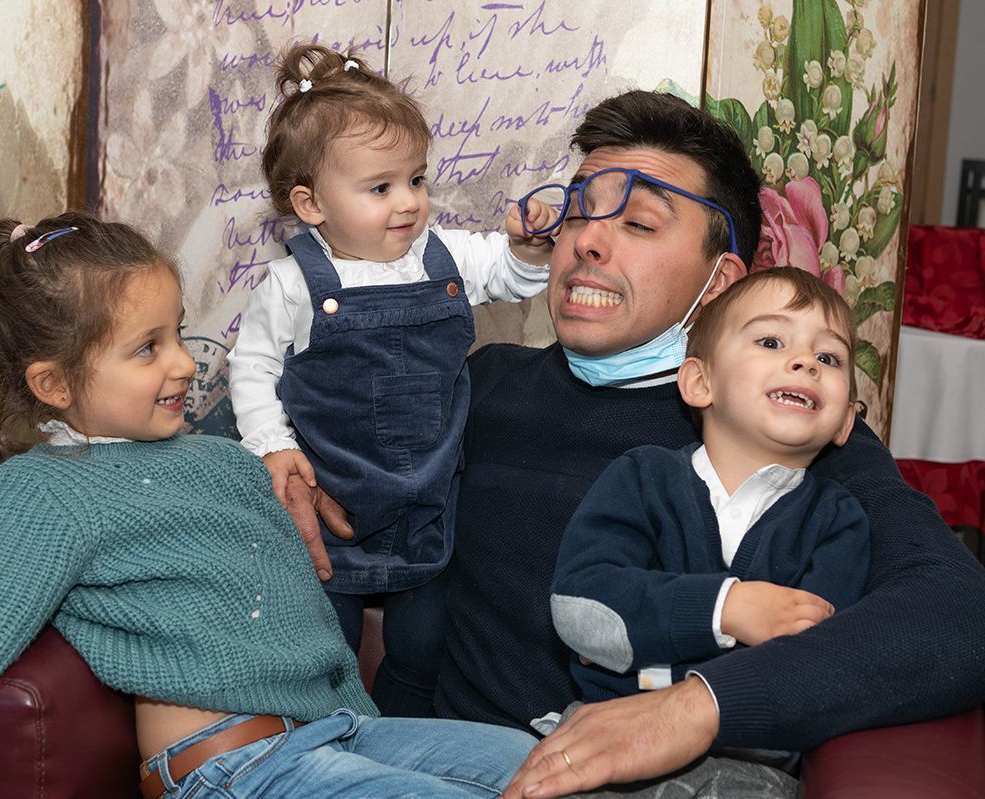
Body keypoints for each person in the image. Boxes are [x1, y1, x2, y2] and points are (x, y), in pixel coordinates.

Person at [282, 89, 985, 799]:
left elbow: (958, 615)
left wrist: (698, 707)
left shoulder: (781, 433)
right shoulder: (474, 388)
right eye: (578, 212)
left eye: (641, 223)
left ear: (720, 283)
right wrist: (281, 474)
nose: (587, 241)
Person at [0, 212, 537, 799]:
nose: (183, 361)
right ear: (54, 383)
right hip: (235, 767)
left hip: (337, 732)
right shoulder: (46, 488)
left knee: (543, 763)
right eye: (147, 348)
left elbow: (287, 613)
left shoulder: (219, 458)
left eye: (176, 333)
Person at [227, 43, 556, 717]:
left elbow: (513, 277)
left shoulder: (444, 254)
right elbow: (252, 367)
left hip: (430, 496)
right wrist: (272, 445)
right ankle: (332, 728)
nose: (409, 202)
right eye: (381, 188)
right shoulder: (293, 283)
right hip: (332, 495)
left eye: (416, 179)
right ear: (311, 204)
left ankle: (403, 727)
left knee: (424, 642)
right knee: (326, 641)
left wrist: (527, 247)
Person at [544, 267, 870, 793]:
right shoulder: (643, 478)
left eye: (829, 358)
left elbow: (816, 666)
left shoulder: (837, 523)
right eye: (771, 341)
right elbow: (583, 606)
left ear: (845, 421)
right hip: (604, 738)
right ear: (700, 382)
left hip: (753, 767)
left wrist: (647, 637)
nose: (806, 362)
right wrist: (727, 610)